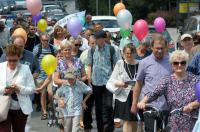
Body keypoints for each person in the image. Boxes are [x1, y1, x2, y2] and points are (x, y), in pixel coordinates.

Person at [137, 50, 200, 131]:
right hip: (174, 122)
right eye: (176, 63)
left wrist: (192, 105)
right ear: (172, 65)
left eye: (183, 62)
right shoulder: (167, 80)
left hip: (193, 121)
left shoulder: (196, 80)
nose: (179, 65)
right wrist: (143, 101)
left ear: (186, 64)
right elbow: (154, 93)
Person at [87, 30, 119, 132]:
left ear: (104, 39)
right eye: (96, 39)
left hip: (108, 82)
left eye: (99, 38)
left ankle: (109, 126)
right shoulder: (91, 50)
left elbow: (116, 65)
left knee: (109, 105)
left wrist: (115, 79)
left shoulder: (111, 49)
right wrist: (89, 79)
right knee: (99, 107)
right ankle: (101, 128)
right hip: (96, 82)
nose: (97, 40)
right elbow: (89, 65)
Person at [0, 45, 36, 132]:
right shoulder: (0, 67)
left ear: (19, 57)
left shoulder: (25, 69)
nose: (12, 63)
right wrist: (4, 89)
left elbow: (32, 89)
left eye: (14, 60)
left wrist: (19, 89)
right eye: (9, 60)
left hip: (20, 108)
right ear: (6, 57)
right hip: (3, 107)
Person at [106, 44, 139, 132]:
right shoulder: (120, 63)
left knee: (135, 121)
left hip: (136, 96)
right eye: (127, 53)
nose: (129, 55)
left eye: (131, 53)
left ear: (135, 53)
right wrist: (120, 84)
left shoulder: (139, 64)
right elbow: (112, 80)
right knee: (127, 121)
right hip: (124, 96)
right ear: (123, 53)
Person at [55, 67, 92, 132]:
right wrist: (60, 100)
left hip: (77, 110)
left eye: (71, 79)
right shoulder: (64, 85)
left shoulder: (80, 84)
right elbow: (56, 94)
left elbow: (90, 91)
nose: (70, 80)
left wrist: (84, 101)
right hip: (67, 111)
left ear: (76, 77)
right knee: (67, 129)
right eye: (68, 79)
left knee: (75, 129)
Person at [33, 33, 56, 120]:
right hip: (40, 75)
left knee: (50, 93)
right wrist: (35, 72)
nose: (46, 42)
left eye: (47, 40)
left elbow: (57, 57)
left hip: (50, 75)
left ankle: (51, 108)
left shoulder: (53, 48)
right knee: (43, 94)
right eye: (44, 40)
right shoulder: (36, 49)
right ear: (40, 40)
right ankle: (44, 112)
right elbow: (33, 61)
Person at [80, 35, 96, 132]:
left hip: (99, 82)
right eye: (92, 43)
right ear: (89, 43)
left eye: (95, 43)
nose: (93, 45)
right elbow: (81, 68)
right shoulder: (84, 54)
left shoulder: (101, 53)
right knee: (87, 106)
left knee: (101, 106)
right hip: (87, 81)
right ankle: (87, 127)